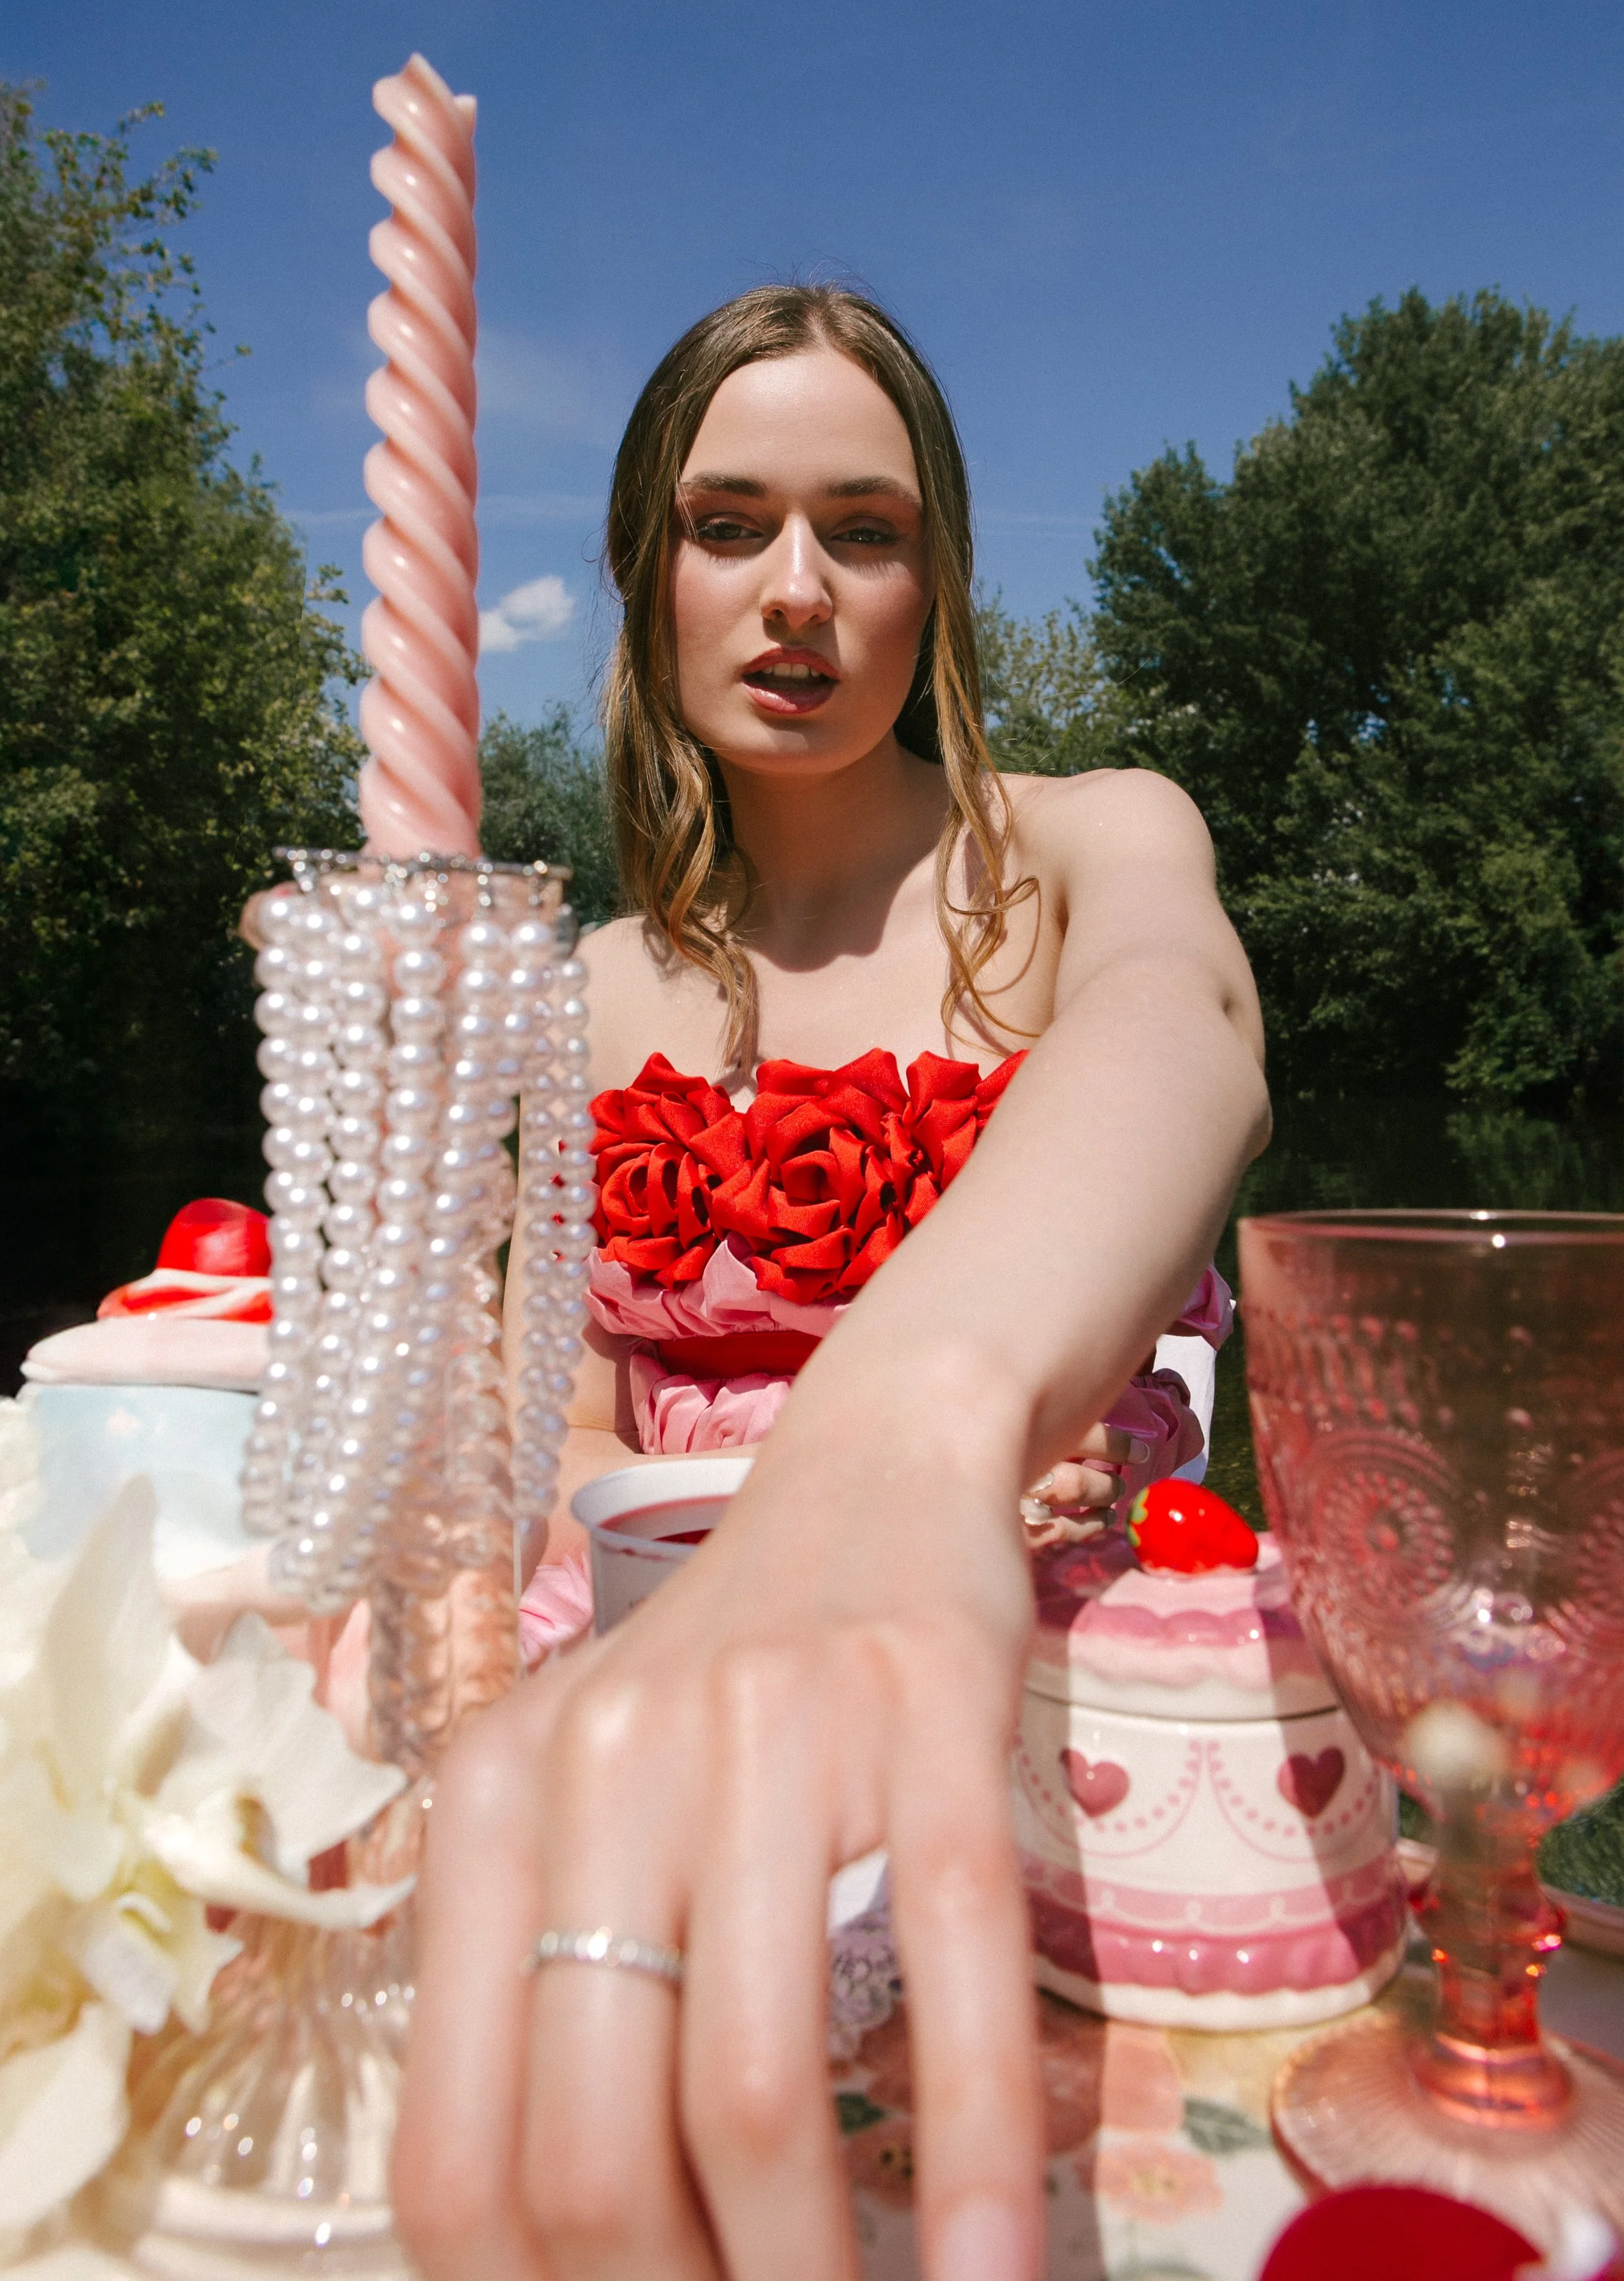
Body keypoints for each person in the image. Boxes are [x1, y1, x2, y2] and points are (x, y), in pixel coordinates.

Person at [394, 285, 1269, 2281]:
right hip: (648, 1654)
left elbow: (1190, 1022)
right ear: (647, 573)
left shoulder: (1082, 851)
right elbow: (583, 1415)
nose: (796, 587)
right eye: (729, 524)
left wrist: (899, 1437)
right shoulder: (589, 984)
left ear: (934, 573)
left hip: (1034, 1669)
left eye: (862, 530)